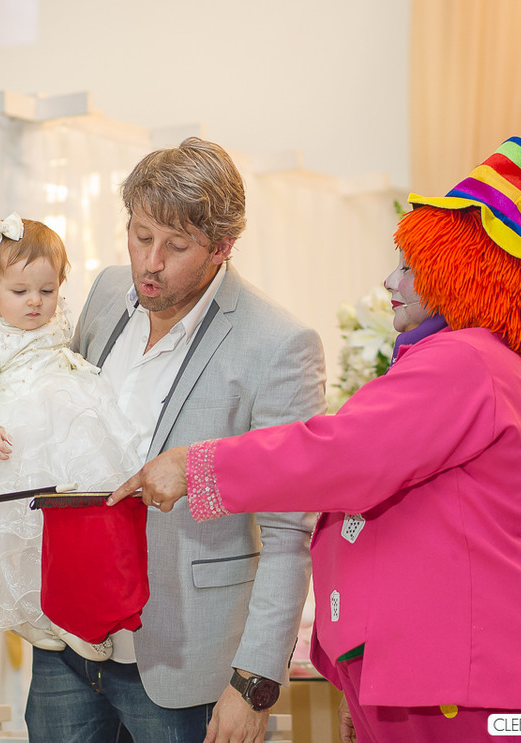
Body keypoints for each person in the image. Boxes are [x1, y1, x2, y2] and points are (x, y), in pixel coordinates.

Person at [113, 137, 521, 742]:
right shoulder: (460, 362)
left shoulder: (466, 364)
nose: (391, 281)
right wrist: (365, 669)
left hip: (469, 681)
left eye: (411, 267)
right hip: (433, 676)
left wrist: (200, 467)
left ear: (462, 275)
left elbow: (342, 457)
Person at [25, 137, 327, 743]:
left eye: (176, 246)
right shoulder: (108, 292)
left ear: (221, 248)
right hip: (70, 639)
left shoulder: (279, 345)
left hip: (186, 661)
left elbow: (292, 532)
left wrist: (253, 684)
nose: (150, 263)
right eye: (140, 236)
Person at [0, 214, 143, 660]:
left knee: (68, 528)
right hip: (11, 444)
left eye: (48, 290)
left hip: (65, 432)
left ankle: (71, 612)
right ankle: (28, 615)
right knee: (12, 535)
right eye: (19, 292)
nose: (36, 303)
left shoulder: (55, 319)